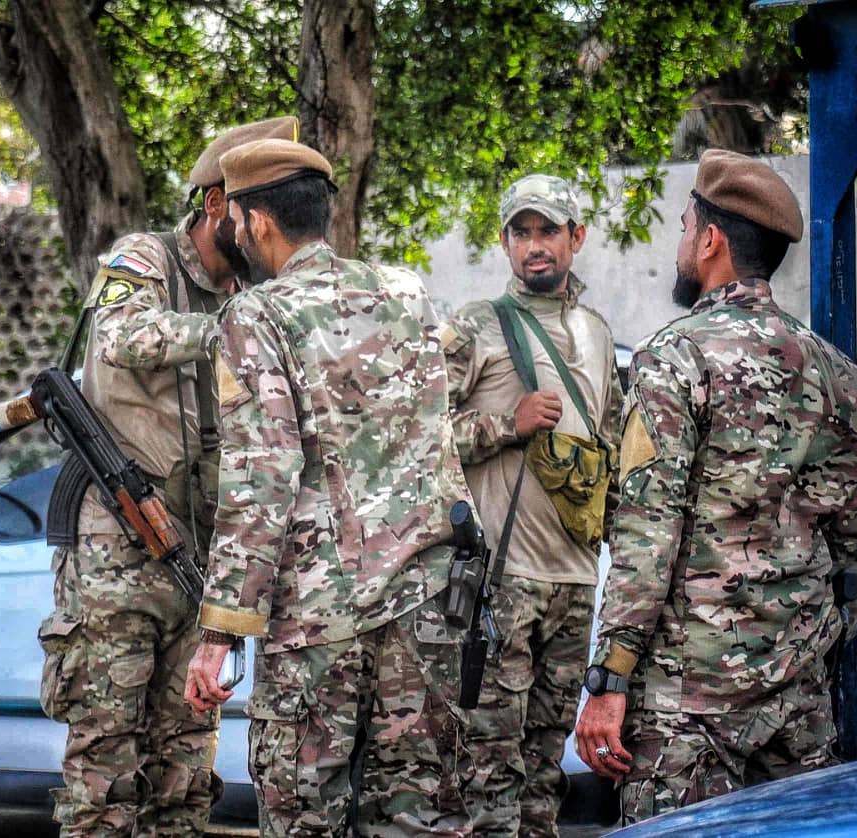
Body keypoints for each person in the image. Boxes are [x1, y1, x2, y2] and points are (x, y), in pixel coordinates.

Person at [183, 138, 476, 837]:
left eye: (235, 221)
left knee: (305, 819)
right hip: (426, 607)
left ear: (258, 223)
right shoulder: (405, 292)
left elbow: (262, 477)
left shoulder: (256, 316)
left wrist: (220, 630)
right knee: (422, 819)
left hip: (317, 629)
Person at [575, 149, 857, 823]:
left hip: (689, 705)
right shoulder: (839, 373)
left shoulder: (674, 358)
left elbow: (647, 533)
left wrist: (609, 678)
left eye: (685, 227)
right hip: (799, 698)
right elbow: (855, 546)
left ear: (710, 240)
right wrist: (812, 650)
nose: (681, 243)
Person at [36, 116, 299, 837]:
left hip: (199, 555)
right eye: (250, 214)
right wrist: (229, 329)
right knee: (105, 764)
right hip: (116, 550)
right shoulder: (145, 257)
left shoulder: (247, 290)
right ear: (217, 206)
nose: (261, 233)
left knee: (185, 769)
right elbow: (119, 336)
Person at [441, 174, 623, 837]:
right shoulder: (476, 326)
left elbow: (610, 450)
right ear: (504, 242)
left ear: (577, 237)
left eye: (549, 231)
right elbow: (409, 435)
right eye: (522, 233)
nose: (535, 246)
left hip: (575, 583)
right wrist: (503, 426)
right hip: (502, 584)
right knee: (489, 777)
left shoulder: (596, 333)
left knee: (545, 778)